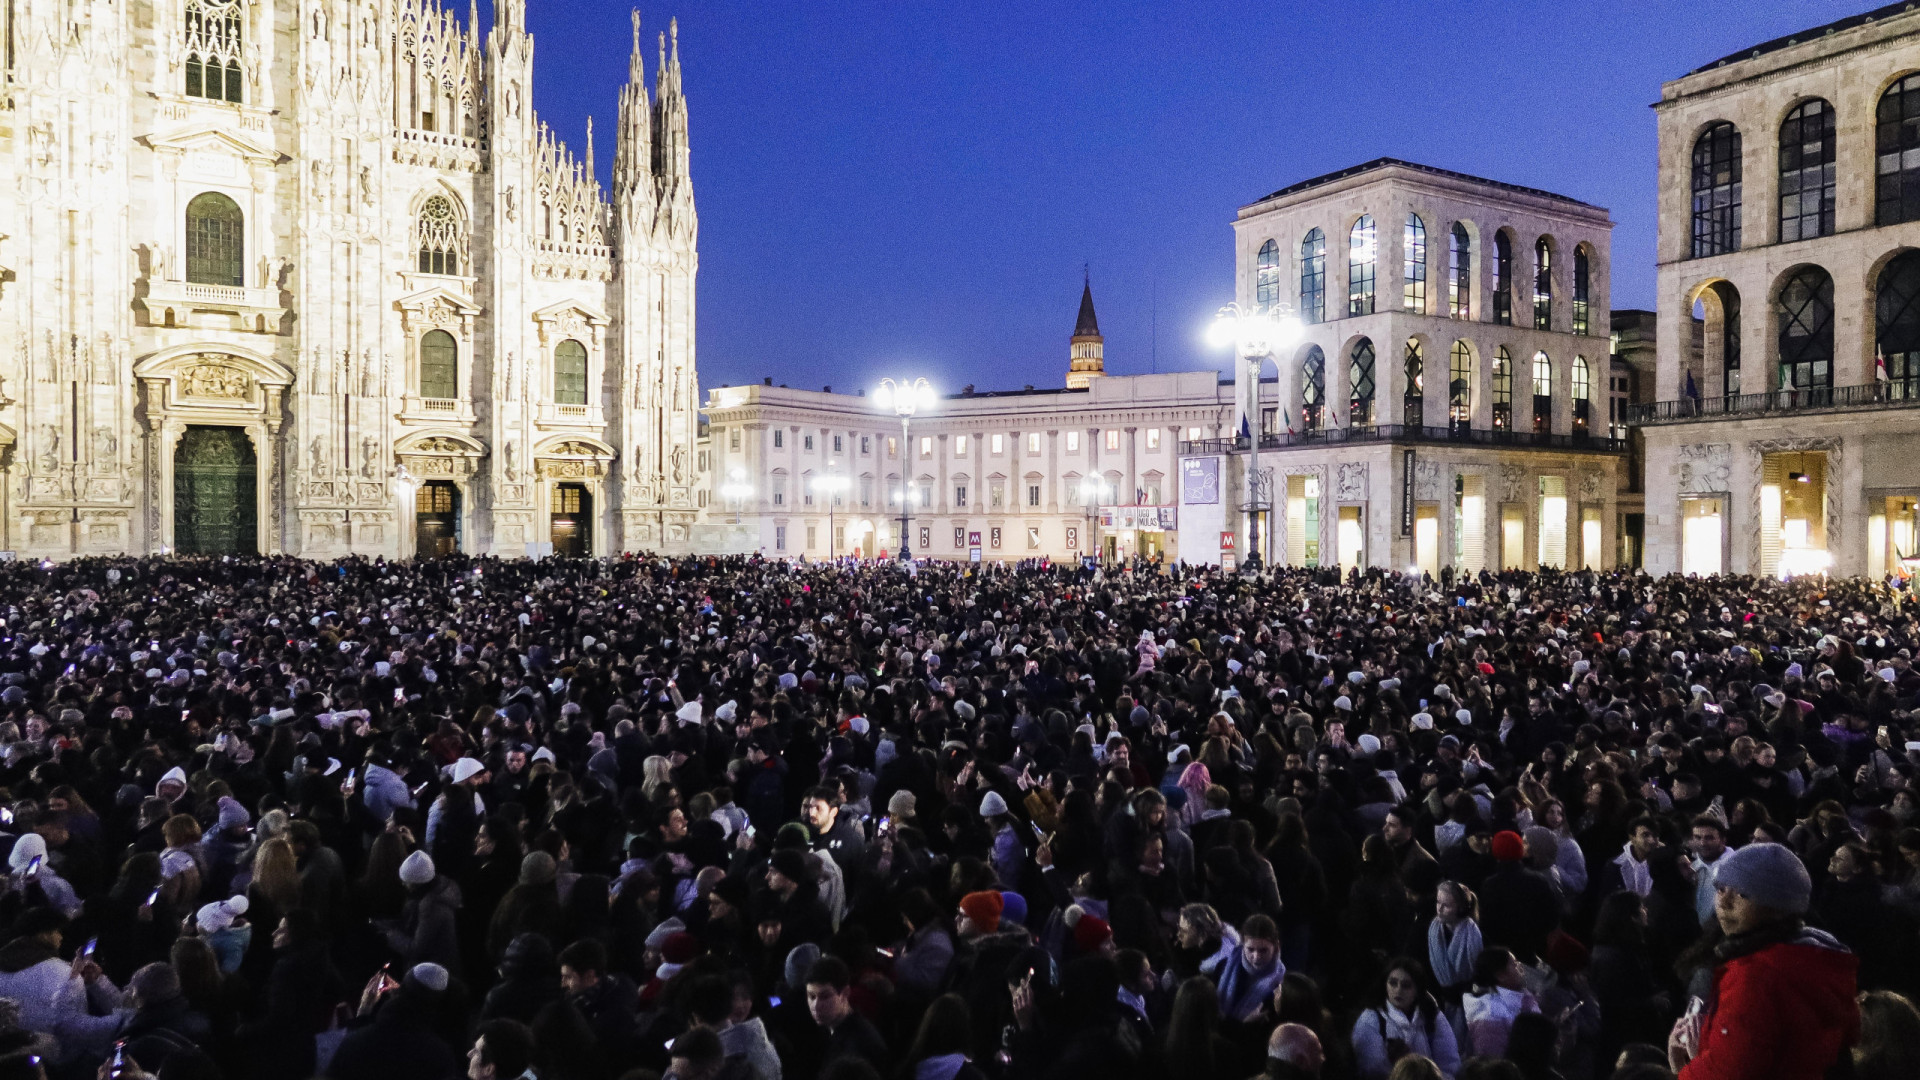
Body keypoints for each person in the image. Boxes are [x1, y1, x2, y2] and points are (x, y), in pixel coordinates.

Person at [1666, 842, 1858, 1079]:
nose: (1724, 903)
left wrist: (1682, 1070)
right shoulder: (1819, 957)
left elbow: (1731, 1072)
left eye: (1742, 893)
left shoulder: (1755, 976)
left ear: (1777, 908)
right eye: (1721, 888)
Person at [1351, 958, 1460, 1080]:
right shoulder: (1370, 1019)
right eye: (1393, 983)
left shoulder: (1431, 1015)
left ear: (1417, 989)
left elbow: (1449, 1063)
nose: (1398, 990)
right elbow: (1373, 1070)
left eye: (1406, 985)